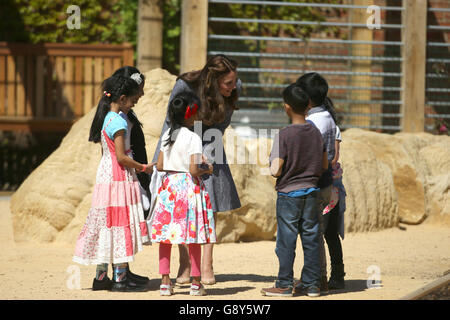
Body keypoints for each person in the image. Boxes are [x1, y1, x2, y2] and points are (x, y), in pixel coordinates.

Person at [150, 54, 242, 285]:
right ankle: (185, 264)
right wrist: (167, 158)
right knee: (183, 208)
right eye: (228, 83)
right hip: (182, 144)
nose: (233, 87)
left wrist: (205, 160)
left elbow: (221, 125)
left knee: (208, 206)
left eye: (234, 82)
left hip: (211, 143)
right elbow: (171, 121)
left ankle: (207, 265)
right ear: (212, 79)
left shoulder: (234, 87)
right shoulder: (186, 86)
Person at [73, 68, 154, 292]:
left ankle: (101, 278)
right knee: (119, 224)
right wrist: (143, 167)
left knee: (106, 226)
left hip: (106, 176)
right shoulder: (118, 122)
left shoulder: (107, 118)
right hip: (118, 177)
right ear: (122, 98)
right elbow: (121, 156)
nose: (134, 104)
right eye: (132, 101)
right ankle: (120, 279)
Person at [261, 84, 328, 297]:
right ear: (308, 106)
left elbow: (276, 169)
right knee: (311, 238)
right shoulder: (316, 132)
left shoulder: (285, 135)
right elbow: (325, 164)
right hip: (311, 191)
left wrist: (270, 163)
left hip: (289, 195)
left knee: (286, 241)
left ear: (287, 107)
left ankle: (284, 284)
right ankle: (311, 285)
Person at [151, 92, 216, 296]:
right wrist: (208, 168)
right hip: (189, 188)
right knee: (193, 236)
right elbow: (194, 170)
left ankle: (164, 282)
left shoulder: (167, 134)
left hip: (169, 187)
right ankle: (196, 283)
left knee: (166, 237)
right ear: (191, 114)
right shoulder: (194, 137)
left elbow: (160, 165)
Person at [296, 72, 336, 293]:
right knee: (316, 232)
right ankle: (318, 276)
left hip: (313, 182)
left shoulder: (311, 122)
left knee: (311, 234)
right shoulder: (328, 117)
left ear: (306, 99)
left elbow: (308, 155)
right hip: (326, 181)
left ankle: (316, 278)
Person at [323, 125, 347, 289]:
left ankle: (336, 276)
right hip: (329, 186)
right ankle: (330, 276)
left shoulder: (331, 128)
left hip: (329, 188)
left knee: (329, 234)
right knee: (328, 235)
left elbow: (333, 157)